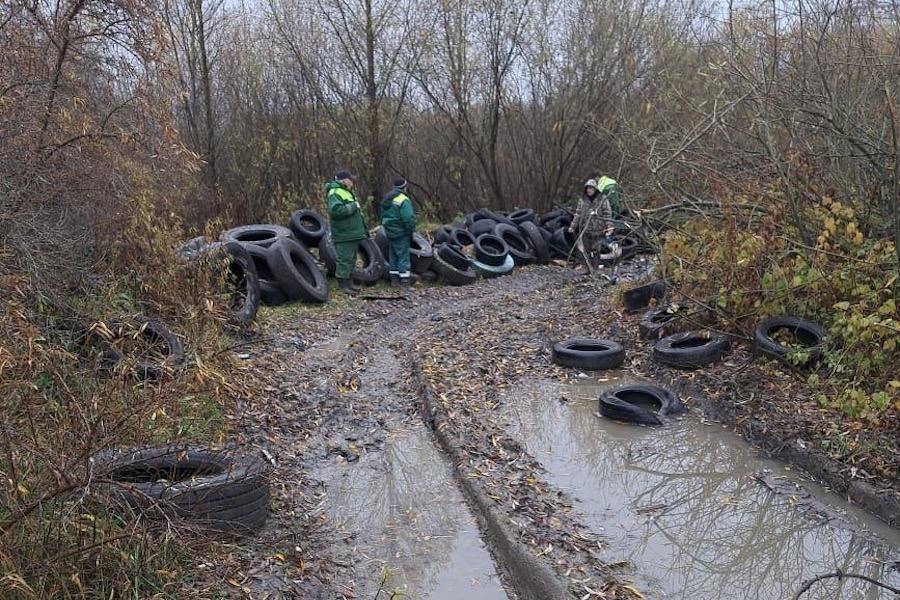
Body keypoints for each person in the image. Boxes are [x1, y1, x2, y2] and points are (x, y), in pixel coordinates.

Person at [325, 169, 368, 296]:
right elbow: (335, 211)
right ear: (344, 180)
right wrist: (353, 207)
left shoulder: (347, 192)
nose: (352, 182)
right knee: (344, 259)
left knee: (351, 259)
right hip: (344, 233)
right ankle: (343, 285)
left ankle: (350, 283)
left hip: (352, 233)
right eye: (351, 179)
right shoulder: (335, 192)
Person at [380, 176, 416, 288]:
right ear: (404, 187)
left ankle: (394, 281)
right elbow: (408, 218)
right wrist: (410, 231)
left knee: (393, 255)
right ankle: (404, 281)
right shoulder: (403, 199)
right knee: (403, 256)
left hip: (389, 231)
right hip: (401, 232)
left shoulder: (387, 198)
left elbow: (384, 215)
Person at [569, 178, 613, 269]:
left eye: (591, 188)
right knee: (585, 250)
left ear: (595, 189)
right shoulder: (583, 200)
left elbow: (607, 213)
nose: (589, 190)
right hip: (585, 229)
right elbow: (578, 214)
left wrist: (609, 226)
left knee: (596, 250)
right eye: (588, 188)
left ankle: (595, 268)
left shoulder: (602, 199)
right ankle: (587, 268)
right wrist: (573, 226)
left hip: (598, 229)